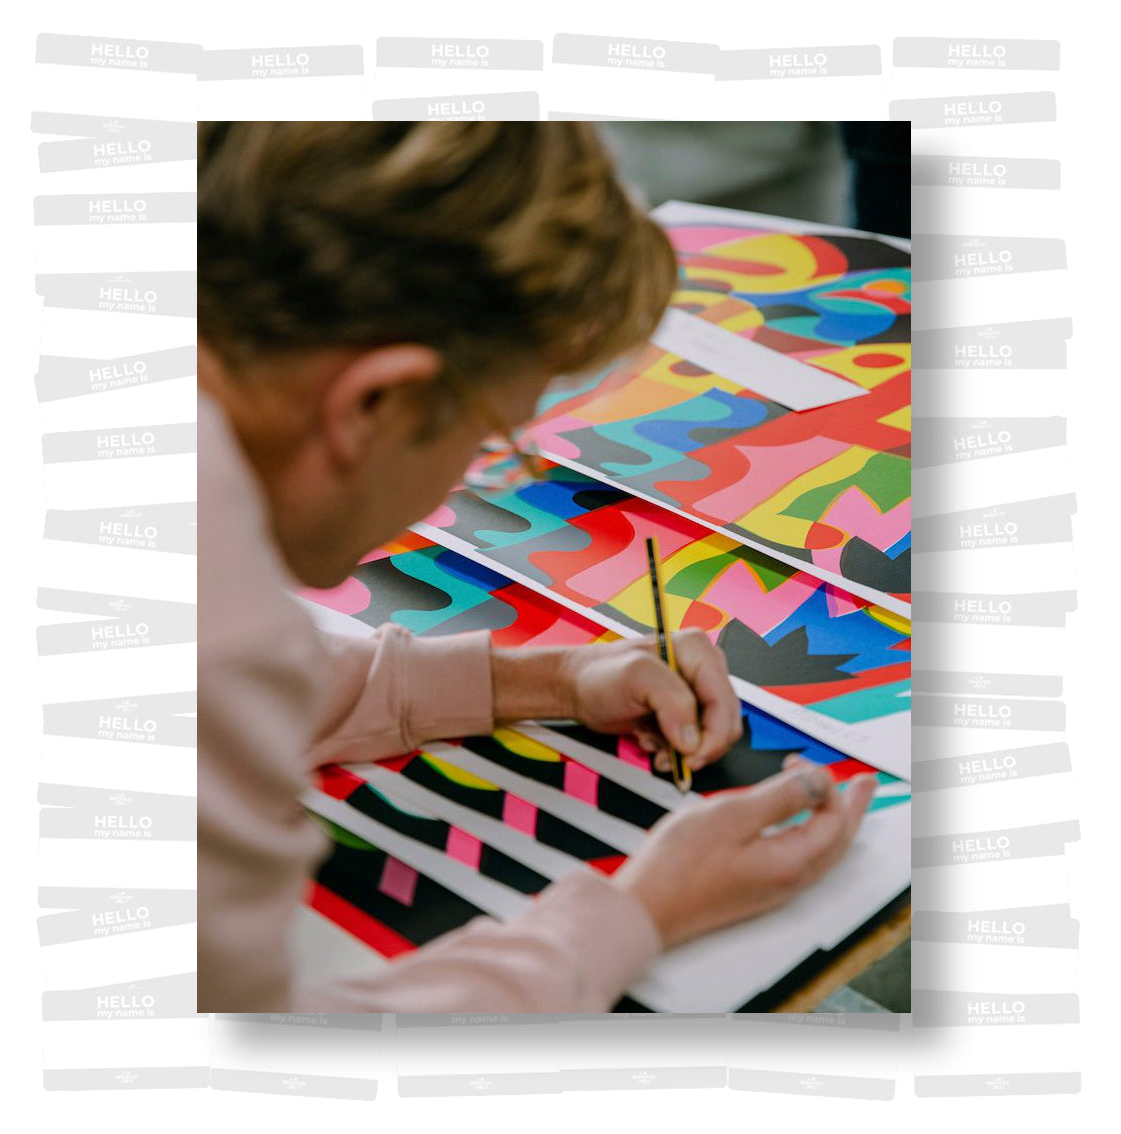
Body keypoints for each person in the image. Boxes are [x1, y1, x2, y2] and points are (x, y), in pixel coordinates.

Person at [197, 121, 878, 1013]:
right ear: (373, 403)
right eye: (492, 438)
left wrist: (545, 678)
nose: (483, 469)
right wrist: (642, 912)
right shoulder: (227, 632)